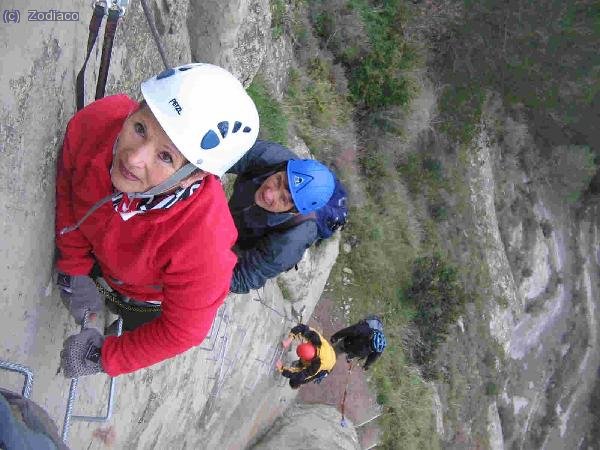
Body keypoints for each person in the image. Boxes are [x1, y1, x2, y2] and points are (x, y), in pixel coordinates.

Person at [55, 63, 259, 378]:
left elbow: (181, 331)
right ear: (135, 109)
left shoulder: (204, 246)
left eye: (166, 157)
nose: (134, 158)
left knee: (130, 323)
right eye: (140, 128)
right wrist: (74, 265)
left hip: (144, 296)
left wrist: (102, 357)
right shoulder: (97, 123)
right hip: (103, 256)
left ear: (195, 176)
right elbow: (71, 186)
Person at [226, 140, 337, 293]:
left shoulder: (292, 240)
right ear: (284, 168)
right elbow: (217, 157)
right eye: (278, 181)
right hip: (232, 212)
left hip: (247, 243)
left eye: (283, 199)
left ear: (294, 211)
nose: (269, 194)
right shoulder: (270, 156)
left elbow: (243, 278)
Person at [276, 324, 336, 389]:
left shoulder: (316, 366)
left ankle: (296, 385)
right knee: (301, 369)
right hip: (330, 351)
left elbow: (301, 376)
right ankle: (299, 365)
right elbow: (302, 327)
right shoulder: (316, 338)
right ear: (310, 344)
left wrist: (282, 369)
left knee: (301, 379)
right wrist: (290, 338)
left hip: (329, 367)